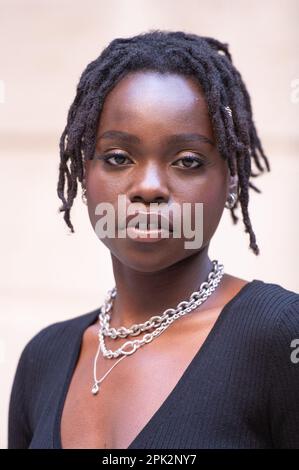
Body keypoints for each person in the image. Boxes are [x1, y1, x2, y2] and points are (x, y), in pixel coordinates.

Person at [8, 30, 299, 449]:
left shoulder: (279, 337)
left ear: (231, 180)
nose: (148, 187)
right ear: (83, 176)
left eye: (187, 161)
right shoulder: (43, 358)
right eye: (118, 158)